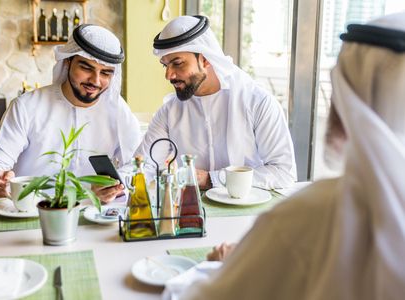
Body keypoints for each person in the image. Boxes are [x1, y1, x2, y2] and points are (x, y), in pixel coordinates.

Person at [163, 12, 405, 300]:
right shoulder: (169, 108)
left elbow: (190, 296)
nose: (169, 75)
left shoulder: (308, 217)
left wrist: (215, 268)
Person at [120, 15, 295, 190]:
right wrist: (117, 182)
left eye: (178, 63)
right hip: (190, 210)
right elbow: (145, 165)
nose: (169, 75)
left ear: (205, 59)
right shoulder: (169, 112)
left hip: (248, 213)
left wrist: (215, 179)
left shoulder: (257, 103)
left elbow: (284, 172)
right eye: (165, 65)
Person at [0, 24, 141, 203]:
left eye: (105, 73)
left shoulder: (118, 112)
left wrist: (116, 187)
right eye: (86, 68)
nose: (95, 80)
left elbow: (136, 166)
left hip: (92, 213)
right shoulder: (26, 106)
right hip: (30, 212)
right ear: (67, 61)